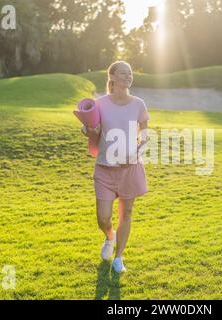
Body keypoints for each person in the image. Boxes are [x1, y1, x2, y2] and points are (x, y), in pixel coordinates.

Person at [81, 60, 150, 273]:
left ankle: (119, 257)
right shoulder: (100, 103)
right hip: (104, 168)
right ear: (112, 77)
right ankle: (109, 236)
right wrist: (91, 129)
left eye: (130, 72)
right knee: (102, 217)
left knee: (126, 214)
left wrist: (138, 151)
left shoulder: (139, 104)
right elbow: (89, 131)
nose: (129, 76)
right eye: (123, 73)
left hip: (129, 169)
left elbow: (145, 134)